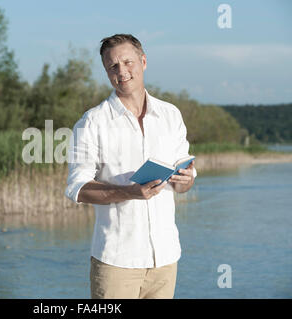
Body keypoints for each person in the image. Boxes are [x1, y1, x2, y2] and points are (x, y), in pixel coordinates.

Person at [65, 34, 196, 299]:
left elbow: (186, 177)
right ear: (106, 72)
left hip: (166, 259)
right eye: (113, 66)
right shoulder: (92, 122)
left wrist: (187, 180)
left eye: (128, 62)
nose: (122, 71)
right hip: (116, 262)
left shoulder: (170, 115)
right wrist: (130, 192)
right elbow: (76, 189)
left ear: (143, 61)